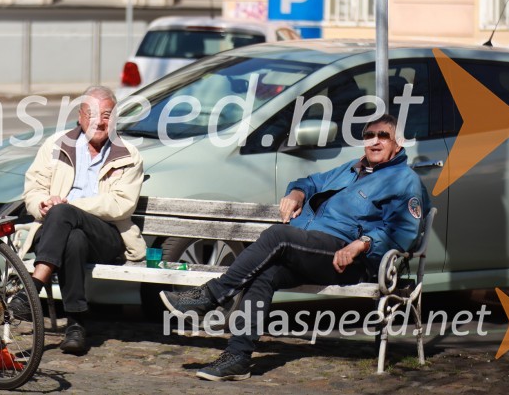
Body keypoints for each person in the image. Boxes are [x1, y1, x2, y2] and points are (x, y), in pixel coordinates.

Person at [160, 114, 428, 381]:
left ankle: (211, 295)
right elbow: (311, 182)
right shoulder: (352, 168)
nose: (375, 142)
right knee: (265, 273)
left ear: (398, 142)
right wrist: (296, 193)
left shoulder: (404, 180)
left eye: (383, 136)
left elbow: (404, 231)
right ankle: (237, 357)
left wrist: (363, 243)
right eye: (369, 136)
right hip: (311, 250)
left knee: (279, 235)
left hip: (348, 258)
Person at [13, 86, 146, 354]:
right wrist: (43, 203)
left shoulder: (128, 154)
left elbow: (121, 204)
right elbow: (34, 189)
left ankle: (33, 287)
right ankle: (76, 325)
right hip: (57, 232)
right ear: (80, 116)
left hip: (107, 236)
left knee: (65, 214)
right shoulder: (55, 145)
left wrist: (69, 206)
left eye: (107, 114)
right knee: (73, 238)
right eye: (93, 114)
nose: (100, 121)